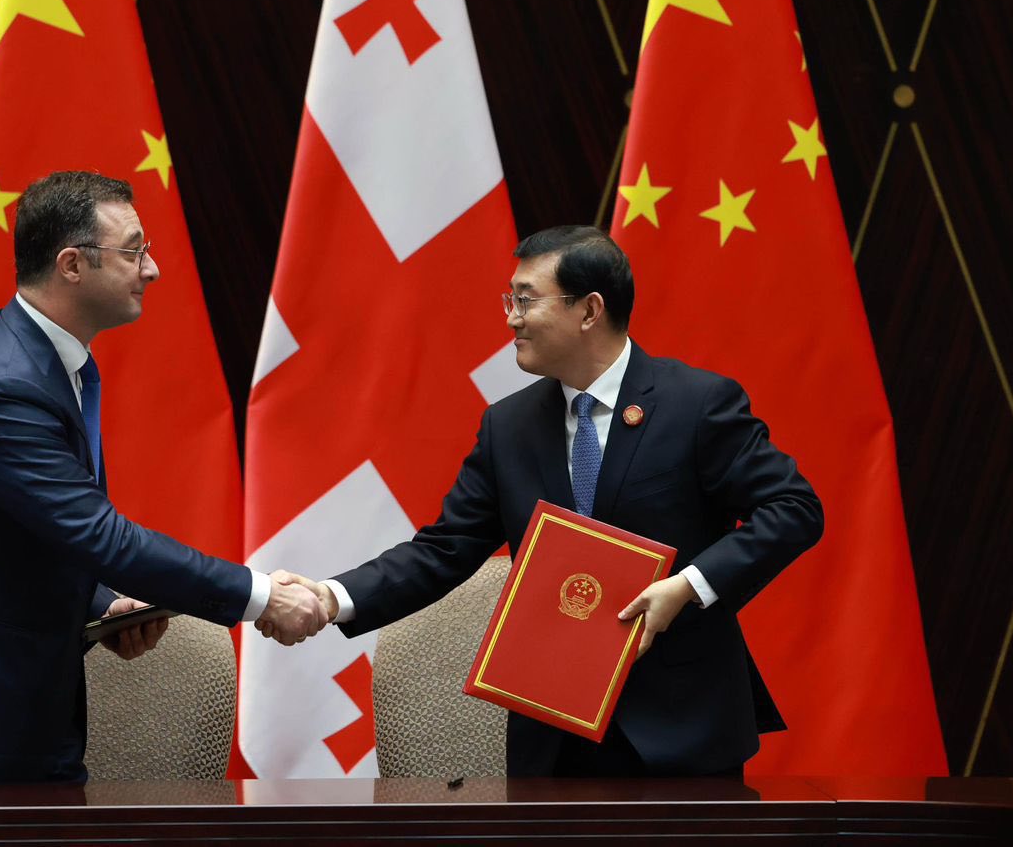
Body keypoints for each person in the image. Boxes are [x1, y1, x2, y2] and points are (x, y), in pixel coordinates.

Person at [265, 226, 823, 778]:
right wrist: (332, 597)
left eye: (526, 300)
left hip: (683, 728)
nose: (512, 318)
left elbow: (793, 508)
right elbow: (444, 548)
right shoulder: (508, 426)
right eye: (510, 300)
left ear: (589, 310)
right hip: (553, 733)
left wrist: (687, 586)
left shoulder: (696, 404)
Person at [0, 171, 325, 784]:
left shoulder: (50, 364)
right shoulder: (3, 386)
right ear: (71, 265)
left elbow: (26, 532)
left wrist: (102, 604)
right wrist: (262, 596)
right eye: (134, 251)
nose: (152, 269)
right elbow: (101, 536)